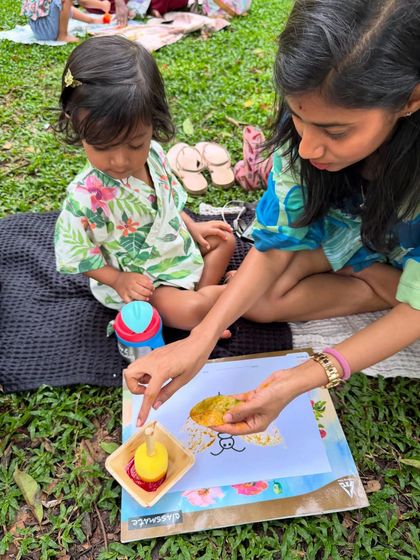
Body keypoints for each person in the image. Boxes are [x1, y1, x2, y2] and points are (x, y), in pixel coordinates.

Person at [124, 0, 420, 432]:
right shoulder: (313, 124)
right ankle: (379, 280)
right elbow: (275, 244)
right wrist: (200, 341)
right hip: (356, 233)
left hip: (397, 248)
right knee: (257, 301)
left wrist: (307, 375)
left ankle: (385, 283)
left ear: (410, 99)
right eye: (299, 117)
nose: (307, 149)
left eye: (336, 132)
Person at [54, 35, 235, 330]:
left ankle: (204, 298)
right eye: (103, 147)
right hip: (145, 281)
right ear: (74, 123)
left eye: (135, 144)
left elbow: (166, 202)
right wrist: (117, 279)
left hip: (173, 250)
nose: (121, 160)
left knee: (224, 239)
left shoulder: (155, 154)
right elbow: (77, 252)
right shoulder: (85, 198)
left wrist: (192, 226)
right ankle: (229, 297)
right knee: (187, 313)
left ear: (153, 122)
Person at [21, 0, 102, 43]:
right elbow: (83, 2)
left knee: (61, 3)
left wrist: (91, 20)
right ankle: (62, 36)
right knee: (65, 1)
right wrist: (102, 5)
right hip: (48, 32)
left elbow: (60, 7)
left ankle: (91, 20)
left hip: (38, 30)